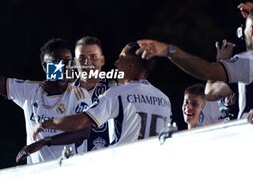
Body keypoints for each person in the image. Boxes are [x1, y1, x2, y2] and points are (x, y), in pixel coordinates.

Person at [0, 11, 92, 164]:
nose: (65, 67)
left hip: (70, 172)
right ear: (45, 66)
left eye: (68, 61)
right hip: (37, 174)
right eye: (58, 62)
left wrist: (45, 141)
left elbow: (84, 131)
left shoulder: (80, 95)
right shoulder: (30, 90)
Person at [16, 42, 172, 161]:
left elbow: (80, 123)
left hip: (124, 167)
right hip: (153, 164)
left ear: (131, 66)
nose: (116, 63)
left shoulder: (116, 94)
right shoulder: (164, 99)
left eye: (121, 59)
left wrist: (46, 125)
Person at [135, 10, 253, 121]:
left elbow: (209, 79)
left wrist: (170, 51)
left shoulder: (249, 60)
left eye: (245, 28)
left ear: (251, 30)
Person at [73, 36, 117, 150]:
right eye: (82, 58)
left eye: (93, 57)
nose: (87, 62)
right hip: (71, 164)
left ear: (102, 60)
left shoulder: (115, 90)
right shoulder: (64, 92)